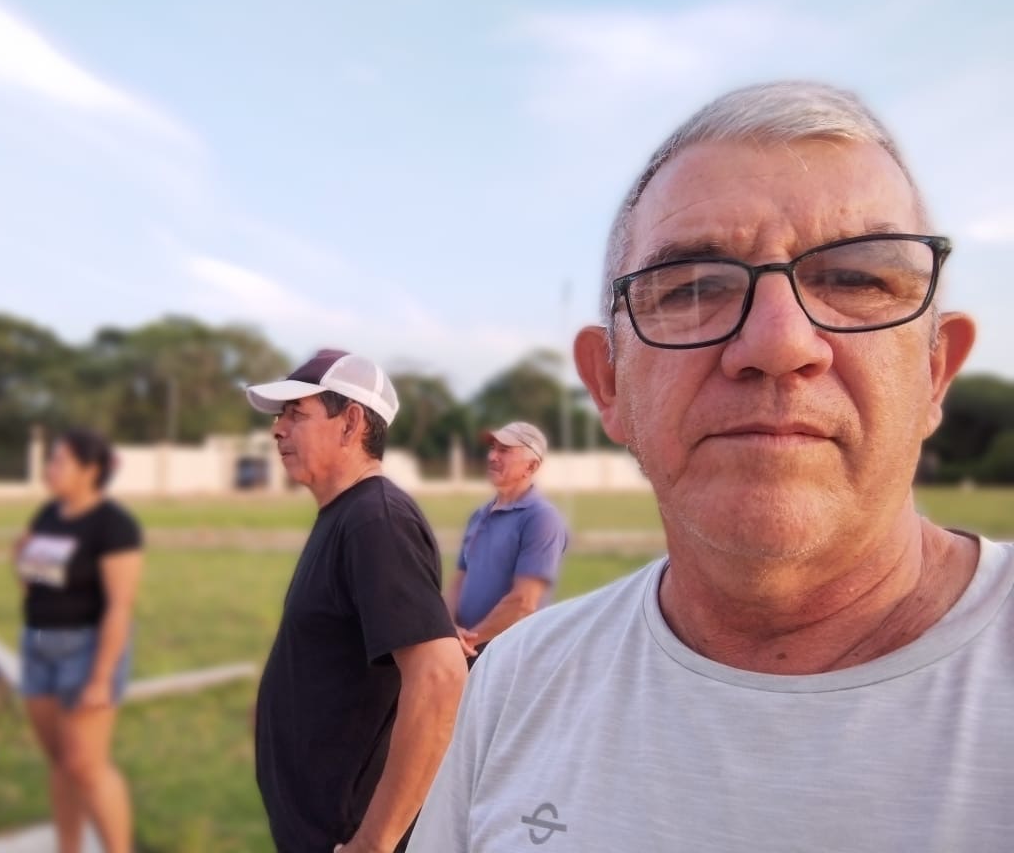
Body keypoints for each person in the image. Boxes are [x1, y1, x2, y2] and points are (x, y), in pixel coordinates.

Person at [409, 81, 1014, 851]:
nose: (778, 343)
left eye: (857, 279)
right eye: (694, 288)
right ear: (609, 384)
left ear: (936, 372)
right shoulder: (518, 683)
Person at [244, 349, 467, 853]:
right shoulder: (347, 515)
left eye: (296, 414)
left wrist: (374, 841)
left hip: (345, 835)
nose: (278, 430)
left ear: (350, 423)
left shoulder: (375, 520)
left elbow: (438, 678)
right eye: (279, 417)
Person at [15, 428, 143, 853]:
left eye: (59, 461)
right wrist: (20, 557)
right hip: (37, 646)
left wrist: (100, 678)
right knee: (60, 763)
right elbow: (34, 586)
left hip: (87, 650)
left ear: (90, 470)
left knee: (85, 766)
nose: (49, 468)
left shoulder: (114, 525)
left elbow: (120, 606)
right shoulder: (48, 515)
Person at [447, 422, 567, 665]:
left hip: (510, 660)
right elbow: (459, 580)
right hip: (466, 653)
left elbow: (524, 602)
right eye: (492, 448)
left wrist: (469, 642)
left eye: (504, 450)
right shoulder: (479, 515)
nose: (492, 456)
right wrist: (449, 630)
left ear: (531, 466)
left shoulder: (541, 518)